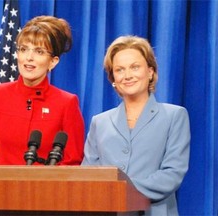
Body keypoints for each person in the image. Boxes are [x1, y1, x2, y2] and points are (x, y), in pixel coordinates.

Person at [81, 35, 190, 215]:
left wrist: (122, 191)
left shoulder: (175, 116)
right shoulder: (99, 122)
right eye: (120, 69)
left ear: (150, 71)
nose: (128, 75)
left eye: (135, 67)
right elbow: (89, 175)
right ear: (113, 78)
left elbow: (172, 173)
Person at [0, 16, 85, 165]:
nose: (29, 57)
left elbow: (72, 163)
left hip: (47, 188)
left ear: (53, 61)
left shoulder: (67, 103)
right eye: (24, 49)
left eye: (39, 51)